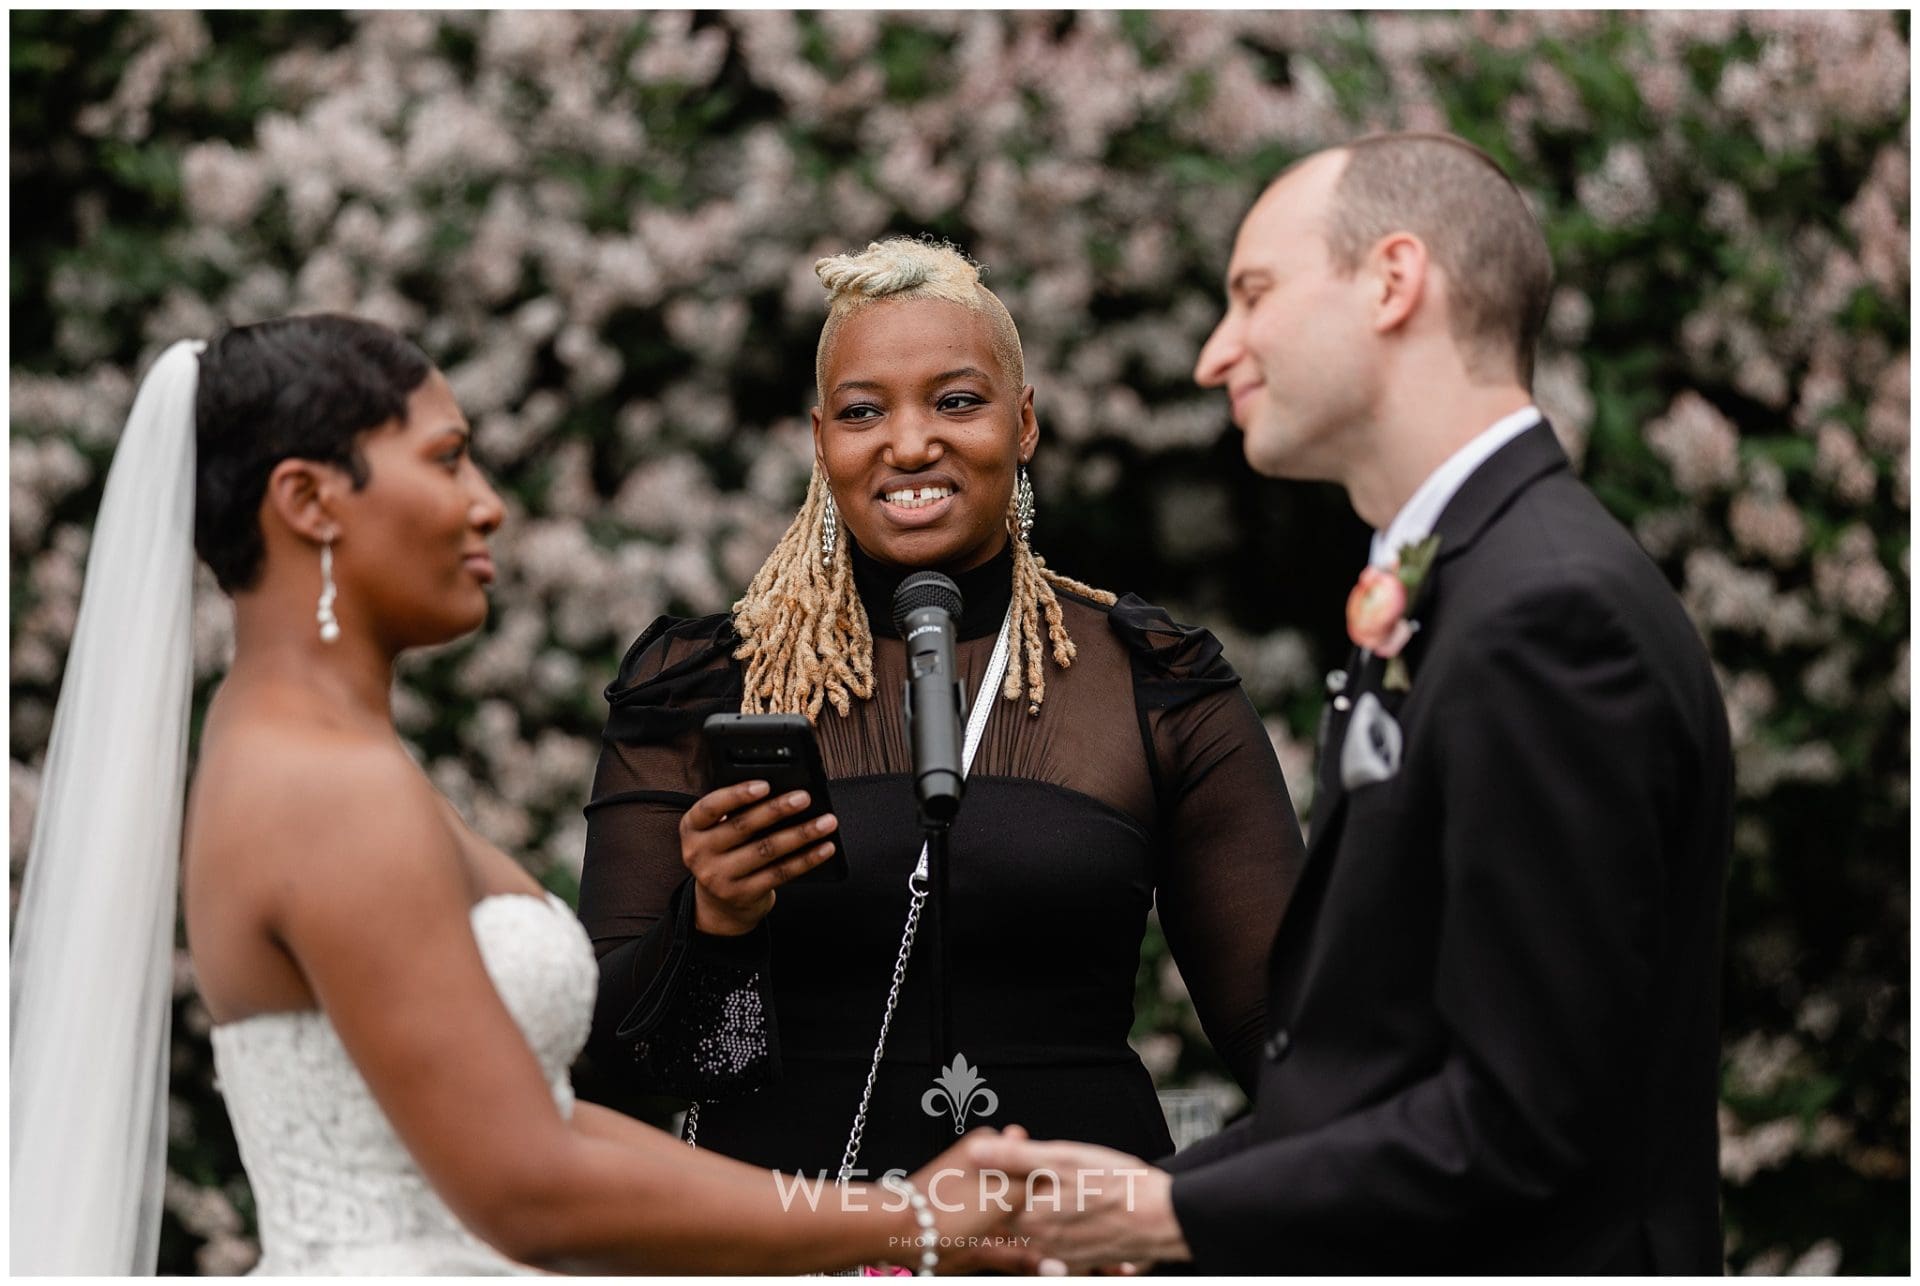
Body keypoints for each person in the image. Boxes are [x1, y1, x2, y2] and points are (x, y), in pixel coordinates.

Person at [8, 314, 1017, 1275]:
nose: (487, 501)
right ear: (310, 501)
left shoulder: (306, 750)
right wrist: (909, 1220)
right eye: (448, 459)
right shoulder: (324, 789)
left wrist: (885, 1210)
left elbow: (541, 1121)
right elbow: (528, 1184)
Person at [982, 133, 1734, 1273]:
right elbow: (1385, 1066)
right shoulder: (1473, 583)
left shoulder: (1550, 613)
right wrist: (1145, 1190)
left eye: (1252, 294)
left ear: (1394, 280)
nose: (1212, 354)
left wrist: (1168, 1218)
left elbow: (1524, 1123)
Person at [576, 238, 1305, 1183]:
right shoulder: (703, 685)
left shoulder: (1153, 682)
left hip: (1070, 1245)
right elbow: (613, 1067)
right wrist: (712, 920)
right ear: (820, 440)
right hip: (788, 1244)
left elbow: (1283, 1038)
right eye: (862, 411)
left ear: (1026, 423)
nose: (910, 444)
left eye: (957, 401)